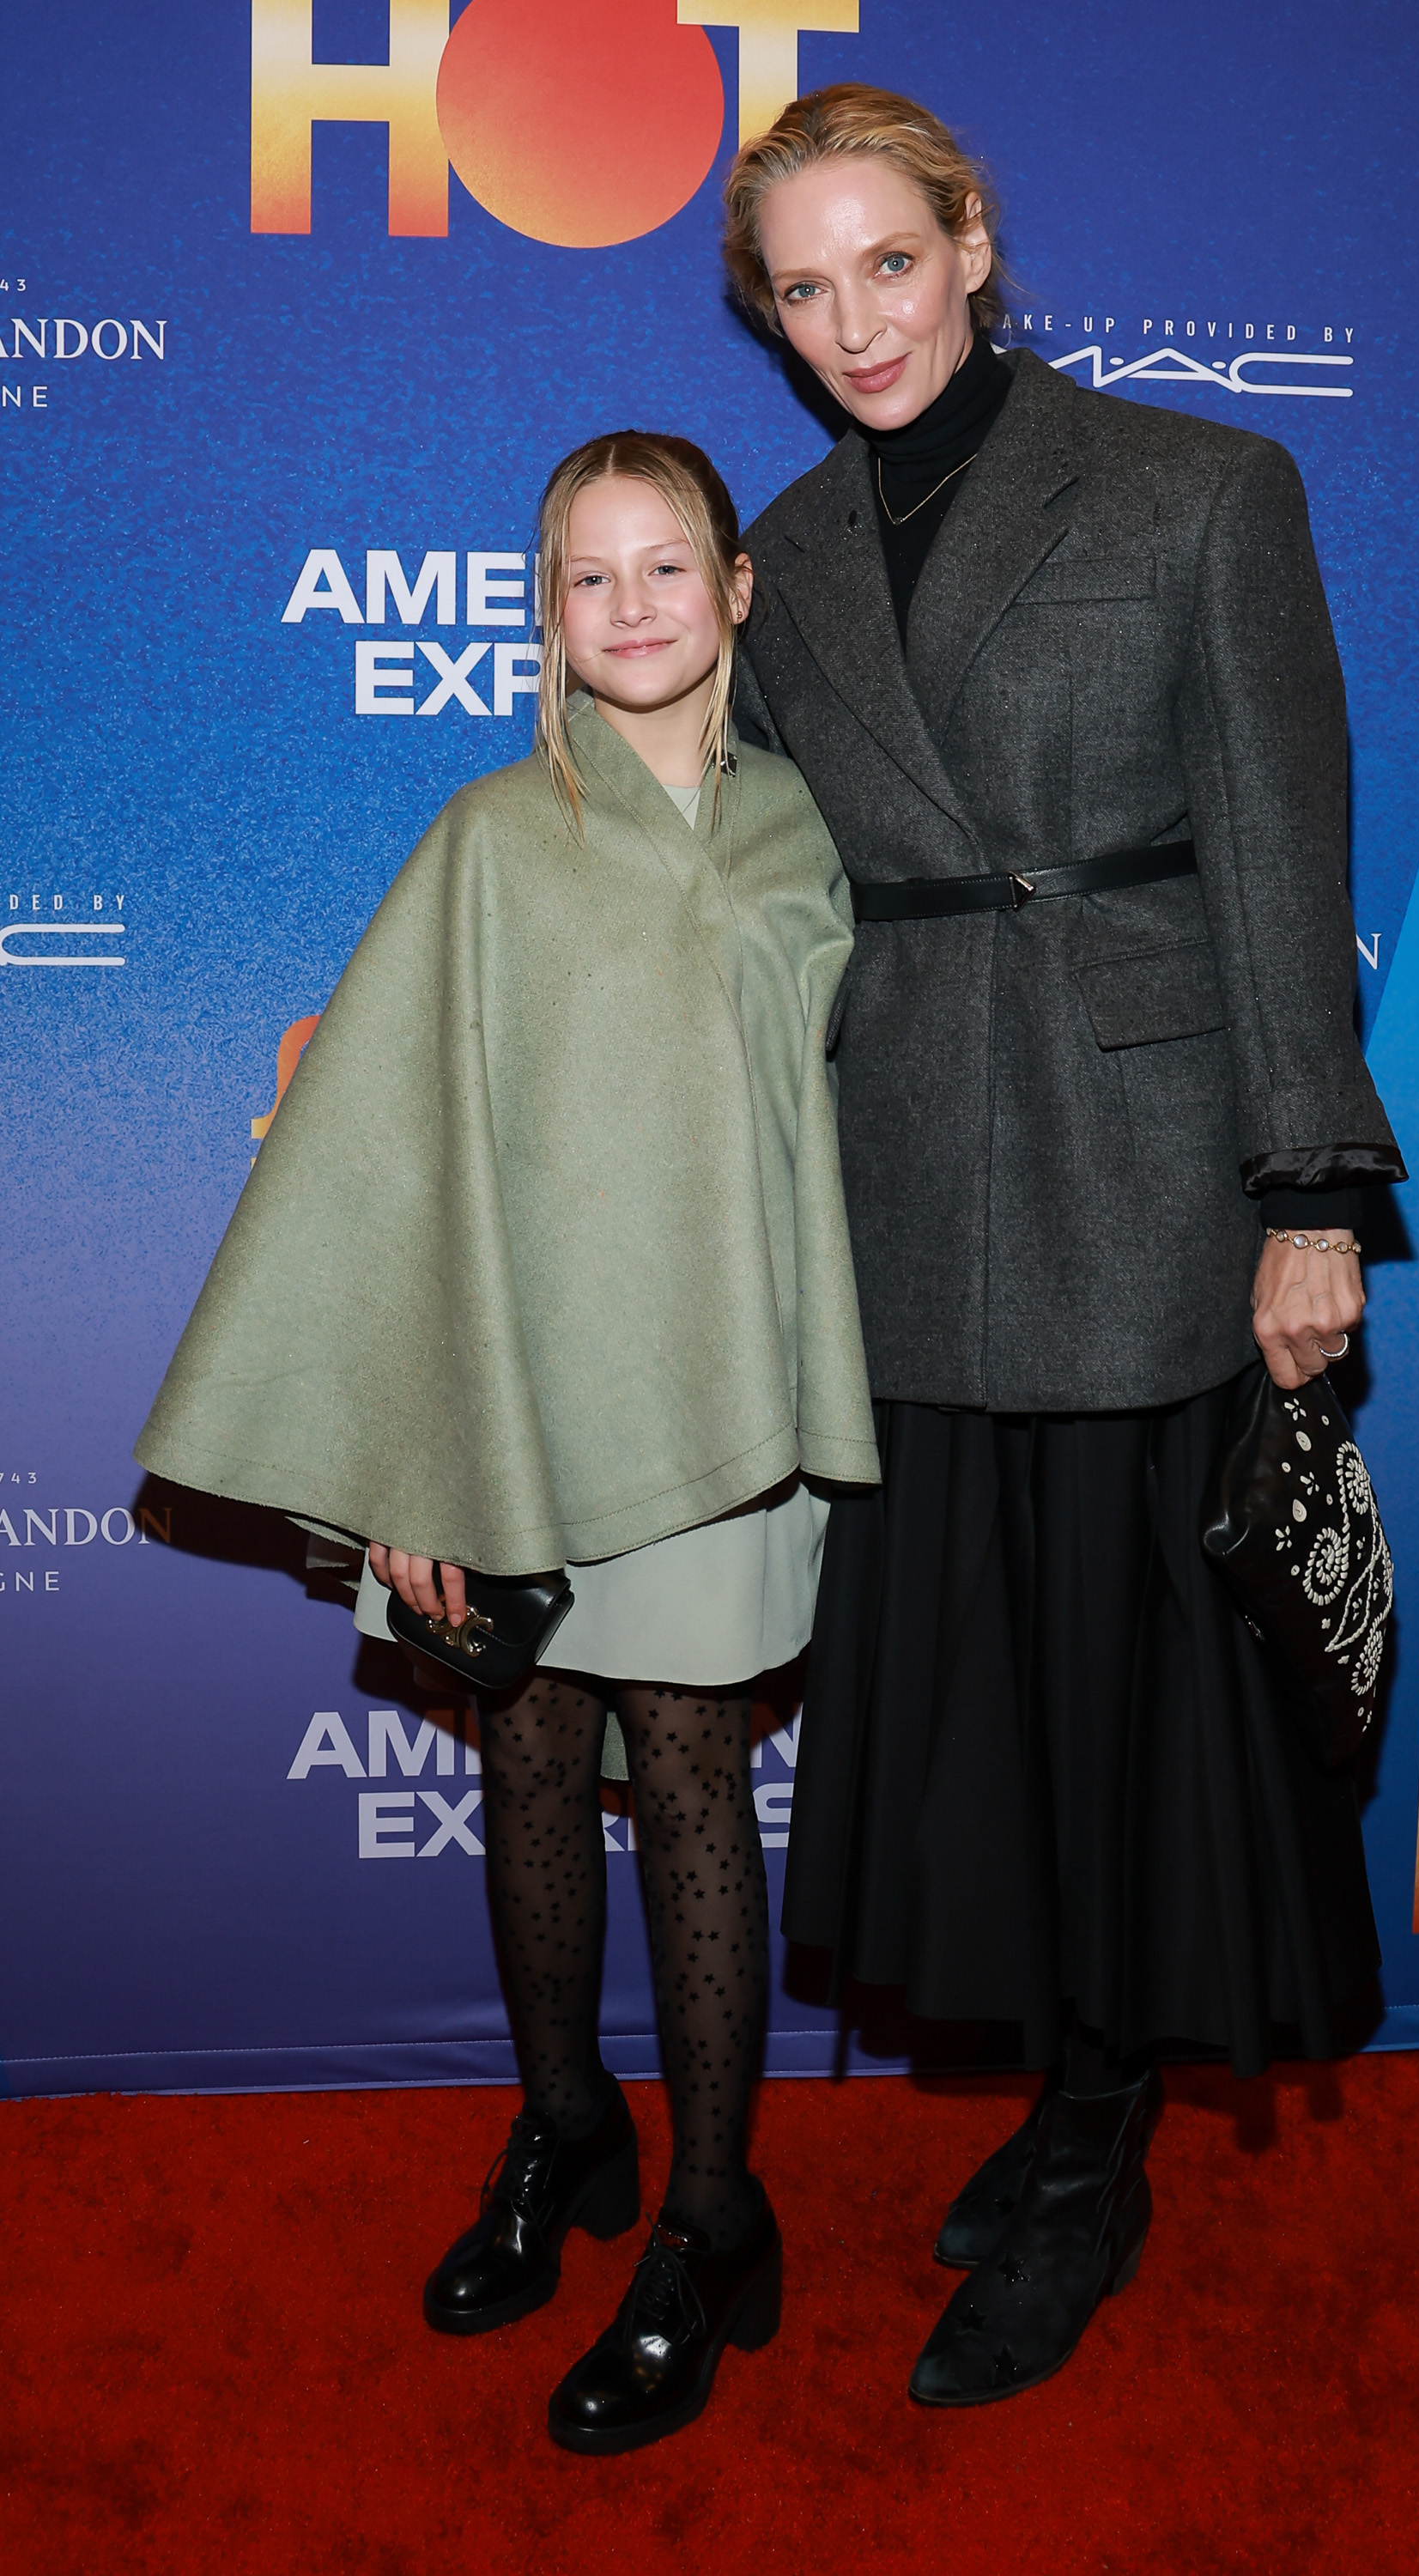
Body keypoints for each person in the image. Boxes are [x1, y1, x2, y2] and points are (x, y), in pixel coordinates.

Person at [720, 86, 1406, 2409]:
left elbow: (1278, 848)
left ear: (976, 242)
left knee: (1127, 1711)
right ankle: (1063, 2096)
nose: (852, 326)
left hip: (1141, 1174)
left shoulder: (1197, 488)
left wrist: (1309, 1193)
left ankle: (1099, 2145)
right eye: (802, 291)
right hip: (910, 1171)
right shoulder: (784, 548)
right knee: (995, 1715)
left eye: (885, 266)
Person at [135, 431, 879, 2452]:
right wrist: (413, 1473)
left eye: (667, 568)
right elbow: (388, 1180)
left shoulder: (819, 840)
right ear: (539, 616)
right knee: (534, 1759)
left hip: (732, 1409)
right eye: (584, 577)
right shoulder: (484, 841)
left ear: (738, 590)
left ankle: (714, 2219)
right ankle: (568, 2133)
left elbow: (845, 1147)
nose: (629, 607)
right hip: (512, 1411)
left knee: (699, 1780)